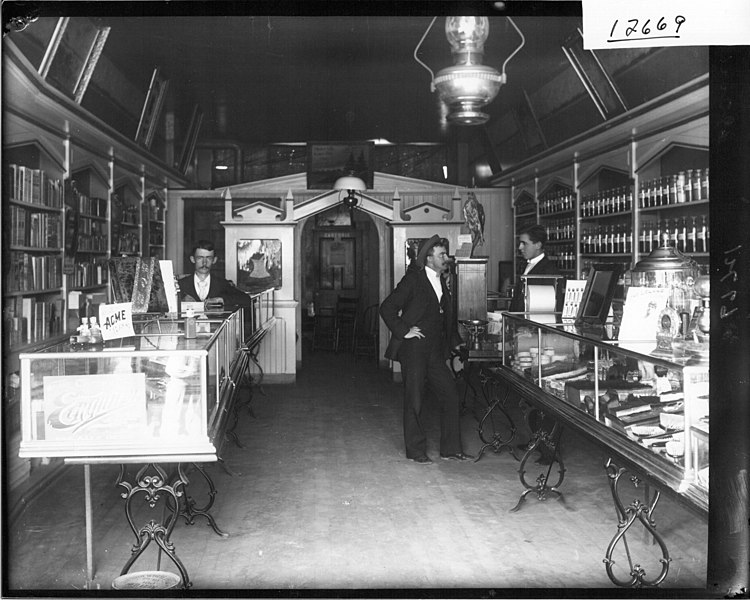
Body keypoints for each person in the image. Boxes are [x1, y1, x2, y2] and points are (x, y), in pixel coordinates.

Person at [380, 234, 473, 465]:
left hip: (435, 351)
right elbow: (387, 307)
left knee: (450, 393)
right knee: (415, 398)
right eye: (442, 255)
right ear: (429, 258)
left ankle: (450, 449)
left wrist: (454, 341)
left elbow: (444, 315)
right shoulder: (413, 279)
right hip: (414, 349)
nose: (446, 258)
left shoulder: (442, 280)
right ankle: (415, 450)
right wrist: (404, 331)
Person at [178, 240, 251, 312]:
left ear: (214, 260)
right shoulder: (181, 284)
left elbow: (246, 299)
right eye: (200, 258)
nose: (204, 263)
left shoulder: (222, 284)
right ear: (192, 259)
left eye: (208, 258)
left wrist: (221, 300)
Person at [509, 224, 562, 312]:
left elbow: (546, 308)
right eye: (520, 243)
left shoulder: (549, 271)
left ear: (538, 245)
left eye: (524, 244)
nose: (520, 247)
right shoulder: (525, 265)